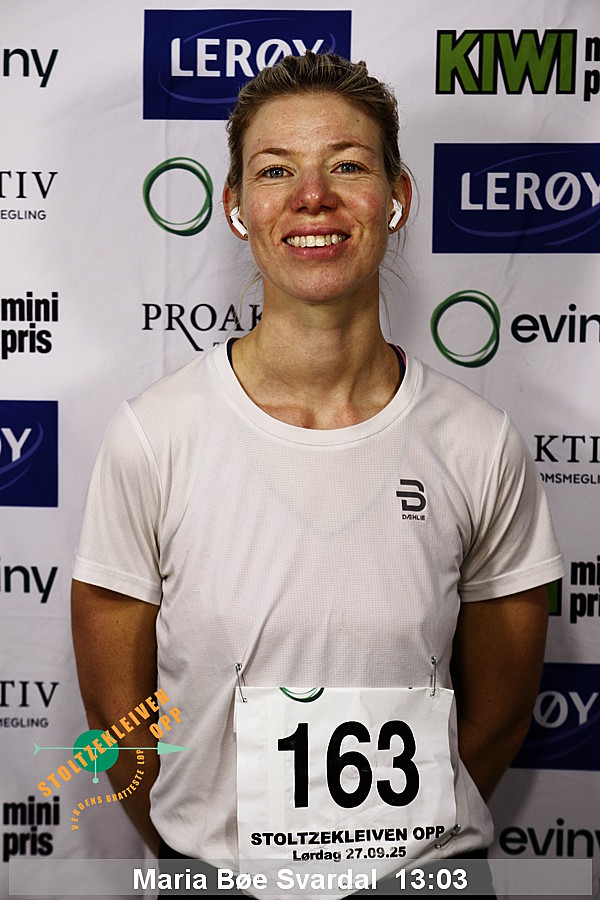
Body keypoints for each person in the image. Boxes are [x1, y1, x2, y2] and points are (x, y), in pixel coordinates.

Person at [71, 51, 564, 893]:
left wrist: (387, 863)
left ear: (396, 196)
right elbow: (118, 721)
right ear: (236, 206)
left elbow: (499, 716)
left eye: (347, 165)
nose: (312, 197)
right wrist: (210, 859)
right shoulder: (153, 437)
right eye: (275, 170)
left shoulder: (480, 444)